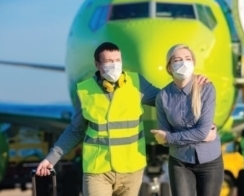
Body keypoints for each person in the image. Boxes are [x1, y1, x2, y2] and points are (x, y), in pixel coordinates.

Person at [35, 42, 209, 196]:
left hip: (131, 170)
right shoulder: (85, 91)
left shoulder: (136, 83)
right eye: (109, 62)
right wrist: (51, 158)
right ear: (97, 64)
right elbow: (75, 130)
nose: (115, 65)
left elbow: (169, 101)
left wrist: (193, 84)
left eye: (118, 60)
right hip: (98, 170)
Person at [151, 44, 223, 196]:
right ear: (169, 67)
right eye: (177, 60)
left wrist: (171, 137)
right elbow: (165, 139)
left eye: (188, 59)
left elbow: (168, 137)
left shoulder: (207, 89)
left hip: (210, 161)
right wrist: (200, 136)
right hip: (180, 162)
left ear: (193, 63)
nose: (184, 63)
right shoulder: (162, 97)